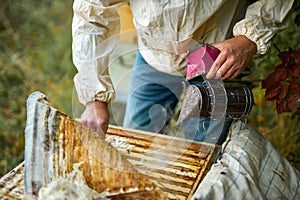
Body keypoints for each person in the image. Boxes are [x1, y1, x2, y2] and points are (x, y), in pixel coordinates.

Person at [72, 0, 294, 143]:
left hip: (216, 59)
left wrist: (248, 39)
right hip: (154, 57)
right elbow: (91, 13)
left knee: (203, 153)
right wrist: (94, 100)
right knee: (134, 143)